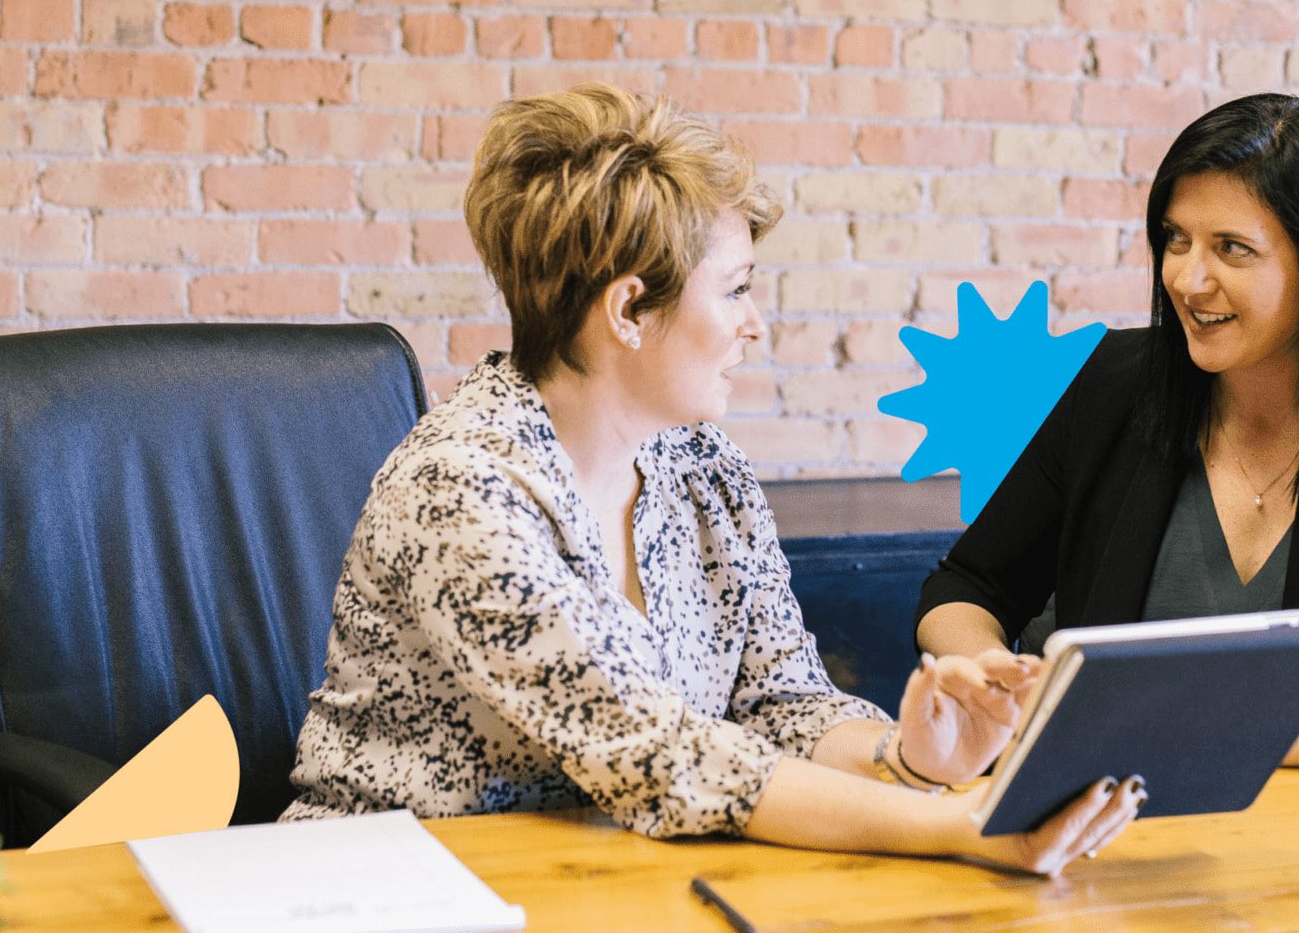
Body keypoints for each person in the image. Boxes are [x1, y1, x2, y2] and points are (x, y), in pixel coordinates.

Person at [283, 83, 1143, 874]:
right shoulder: (461, 489)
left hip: (607, 879)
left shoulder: (702, 465)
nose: (755, 325)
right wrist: (961, 826)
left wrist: (911, 759)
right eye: (734, 290)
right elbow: (660, 753)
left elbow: (783, 702)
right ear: (629, 310)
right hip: (390, 886)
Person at [916, 94, 1299, 777]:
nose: (1186, 278)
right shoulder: (1116, 385)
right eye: (1176, 240)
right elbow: (967, 585)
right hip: (1109, 824)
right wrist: (985, 674)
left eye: (1231, 249)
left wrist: (1172, 726)